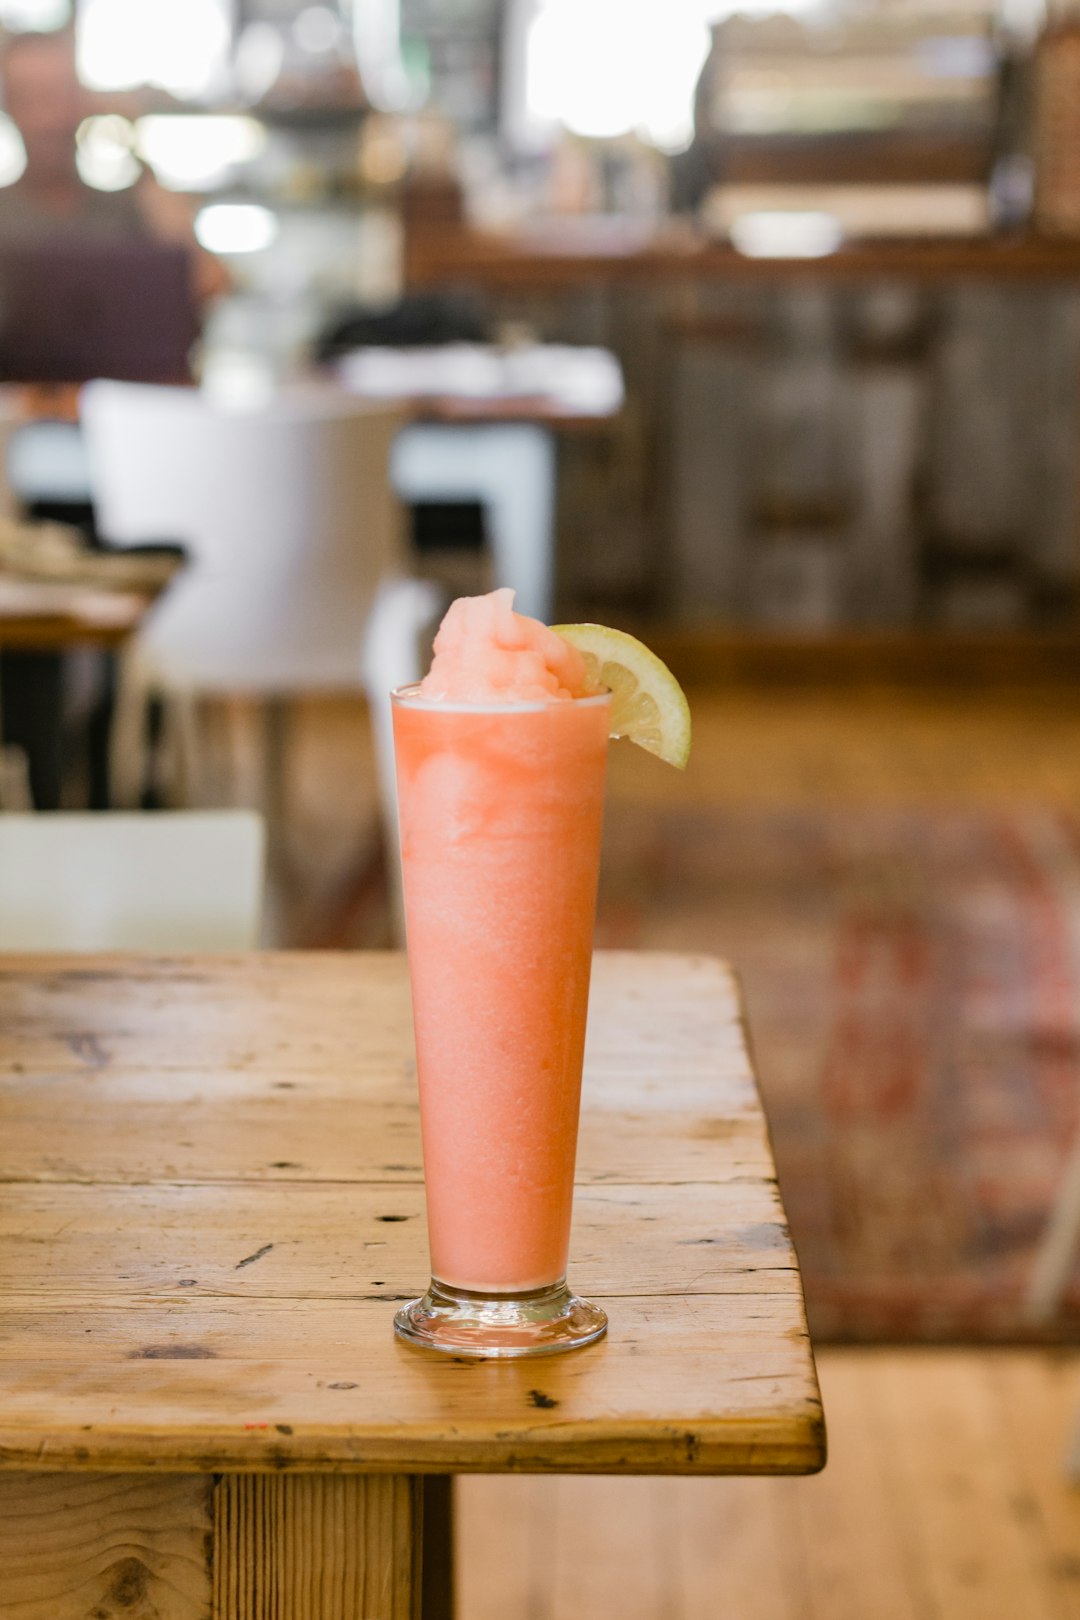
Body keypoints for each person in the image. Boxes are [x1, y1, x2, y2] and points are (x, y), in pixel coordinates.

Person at [0, 26, 228, 303]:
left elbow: (209, 280)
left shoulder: (126, 208)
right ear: (9, 105)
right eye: (28, 98)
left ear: (84, 100)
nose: (48, 119)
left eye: (60, 95)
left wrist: (135, 146)